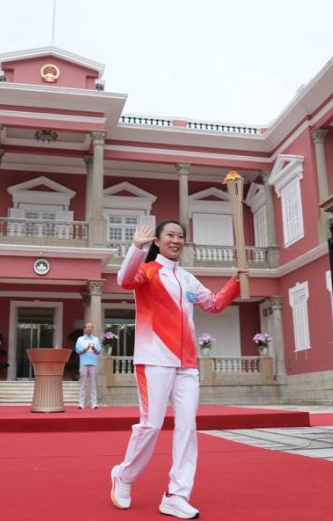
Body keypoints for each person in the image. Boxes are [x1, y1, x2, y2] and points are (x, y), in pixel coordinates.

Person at [110, 221, 247, 519]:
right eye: (170, 235)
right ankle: (124, 475)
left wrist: (235, 282)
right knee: (151, 425)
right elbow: (123, 280)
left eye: (181, 236)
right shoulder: (146, 272)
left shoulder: (187, 278)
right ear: (157, 241)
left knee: (187, 429)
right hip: (155, 358)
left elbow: (212, 304)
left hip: (187, 364)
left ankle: (176, 494)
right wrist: (136, 248)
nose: (176, 240)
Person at [75, 322, 102, 409]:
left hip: (93, 363)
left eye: (91, 327)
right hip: (83, 363)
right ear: (85, 329)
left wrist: (94, 349)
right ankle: (81, 403)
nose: (89, 329)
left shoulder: (96, 339)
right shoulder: (80, 339)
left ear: (92, 329)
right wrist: (85, 348)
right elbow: (77, 350)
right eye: (88, 327)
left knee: (93, 384)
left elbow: (98, 351)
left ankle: (94, 403)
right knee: (83, 384)